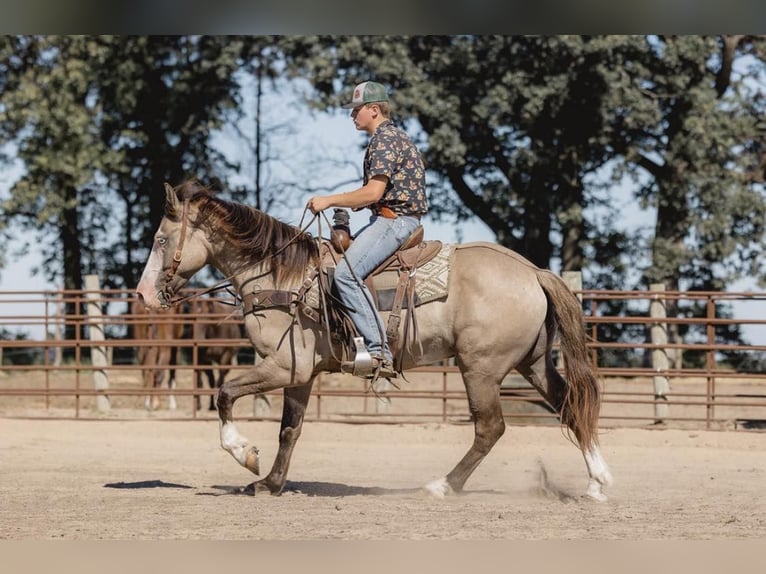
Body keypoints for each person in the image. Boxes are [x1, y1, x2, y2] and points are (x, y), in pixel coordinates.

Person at [307, 80, 429, 378]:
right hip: (391, 216)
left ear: (374, 110)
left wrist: (329, 200)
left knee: (346, 275)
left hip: (394, 221)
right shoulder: (393, 138)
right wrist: (359, 203)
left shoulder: (384, 141)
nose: (352, 116)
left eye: (357, 110)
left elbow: (373, 192)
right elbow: (380, 193)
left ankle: (378, 351)